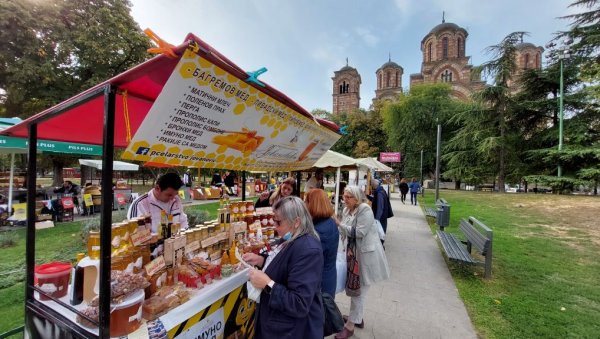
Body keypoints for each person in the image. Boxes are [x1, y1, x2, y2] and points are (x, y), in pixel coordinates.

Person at [243, 196, 324, 339]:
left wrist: (267, 284)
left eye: (278, 222)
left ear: (297, 222)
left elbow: (299, 303)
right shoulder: (291, 238)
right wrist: (263, 261)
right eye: (274, 220)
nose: (274, 225)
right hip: (278, 324)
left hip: (291, 331)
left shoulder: (308, 250)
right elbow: (286, 266)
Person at [336, 185, 390, 339]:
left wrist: (339, 224)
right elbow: (343, 231)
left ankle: (351, 326)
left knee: (359, 291)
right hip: (354, 255)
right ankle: (356, 318)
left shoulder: (365, 209)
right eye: (344, 196)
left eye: (348, 197)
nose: (344, 199)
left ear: (357, 198)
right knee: (355, 287)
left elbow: (359, 232)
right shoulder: (347, 210)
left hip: (366, 257)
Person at [305, 188, 339, 296]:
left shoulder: (319, 231)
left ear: (312, 204)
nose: (304, 204)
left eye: (306, 201)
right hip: (328, 276)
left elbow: (309, 260)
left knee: (322, 311)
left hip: (320, 283)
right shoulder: (329, 221)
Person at [369, 179, 393, 244]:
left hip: (381, 217)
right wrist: (368, 197)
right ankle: (381, 246)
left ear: (373, 185)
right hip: (383, 216)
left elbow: (380, 207)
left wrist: (377, 219)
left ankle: (381, 248)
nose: (371, 186)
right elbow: (376, 200)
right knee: (381, 232)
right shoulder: (381, 190)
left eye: (371, 184)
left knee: (380, 233)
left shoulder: (379, 193)